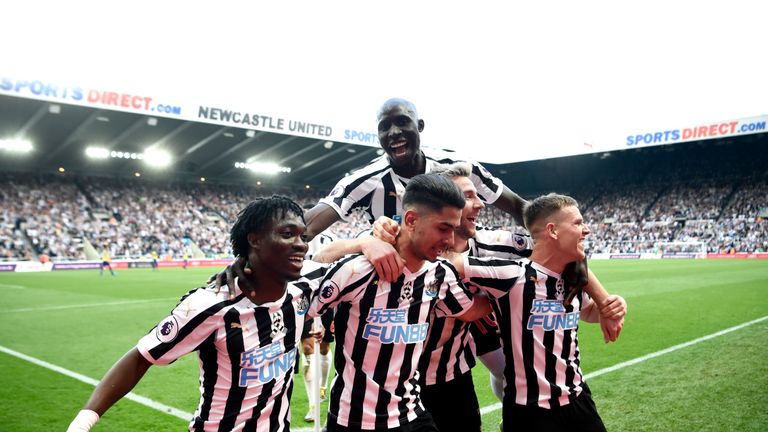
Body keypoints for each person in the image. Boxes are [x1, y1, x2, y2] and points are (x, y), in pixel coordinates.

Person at [368, 163, 623, 432]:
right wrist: (365, 243)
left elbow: (563, 247)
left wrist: (605, 303)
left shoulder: (495, 243)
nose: (480, 204)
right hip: (397, 378)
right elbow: (330, 257)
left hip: (454, 372)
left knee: (511, 370)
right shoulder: (396, 238)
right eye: (468, 196)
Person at [67, 196, 323, 432]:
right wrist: (84, 421)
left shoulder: (305, 285)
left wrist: (360, 242)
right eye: (288, 234)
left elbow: (348, 260)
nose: (301, 245)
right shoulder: (209, 306)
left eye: (303, 236)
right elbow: (142, 357)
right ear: (254, 240)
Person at [307, 173, 492, 432]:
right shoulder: (360, 269)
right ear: (411, 220)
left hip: (411, 415)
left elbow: (470, 311)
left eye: (453, 228)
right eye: (443, 228)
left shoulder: (440, 274)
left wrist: (513, 290)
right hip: (354, 420)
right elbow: (314, 270)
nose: (450, 241)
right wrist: (361, 242)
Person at [452, 193, 627, 432]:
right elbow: (448, 261)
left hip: (578, 400)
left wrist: (614, 305)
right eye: (577, 223)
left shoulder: (572, 280)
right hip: (529, 413)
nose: (586, 230)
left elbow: (590, 313)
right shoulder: (510, 275)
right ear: (553, 231)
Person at [302, 97, 528, 243]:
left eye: (402, 122)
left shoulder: (459, 166)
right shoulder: (364, 181)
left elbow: (520, 206)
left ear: (419, 126)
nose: (394, 132)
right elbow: (306, 226)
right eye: (384, 127)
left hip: (455, 277)